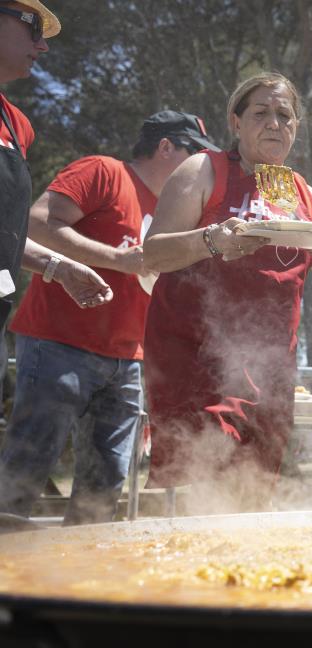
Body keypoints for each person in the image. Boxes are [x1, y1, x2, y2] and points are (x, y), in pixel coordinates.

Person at [142, 73, 312, 508]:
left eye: (284, 115)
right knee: (193, 488)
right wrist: (212, 239)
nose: (275, 124)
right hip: (196, 359)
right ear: (235, 122)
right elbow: (153, 254)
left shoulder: (305, 196)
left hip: (271, 368)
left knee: (254, 493)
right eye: (261, 113)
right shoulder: (205, 169)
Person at [0, 111, 217, 524]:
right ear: (165, 147)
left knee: (106, 485)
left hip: (128, 362)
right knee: (27, 468)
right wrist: (119, 259)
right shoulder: (104, 171)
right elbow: (37, 223)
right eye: (193, 154)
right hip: (57, 344)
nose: (198, 167)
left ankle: (80, 581)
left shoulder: (175, 211)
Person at [0, 1, 112, 403]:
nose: (43, 46)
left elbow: (4, 232)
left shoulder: (18, 125)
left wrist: (57, 266)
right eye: (33, 27)